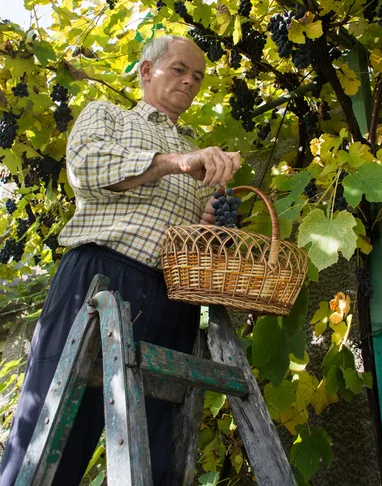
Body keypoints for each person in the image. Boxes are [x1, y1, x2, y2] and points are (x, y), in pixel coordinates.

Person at [0, 35, 241, 485]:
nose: (189, 81)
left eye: (198, 77)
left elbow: (197, 242)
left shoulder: (198, 151)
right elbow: (86, 168)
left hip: (173, 299)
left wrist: (212, 221)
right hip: (97, 282)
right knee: (50, 437)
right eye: (179, 69)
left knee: (155, 455)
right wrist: (176, 161)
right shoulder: (106, 115)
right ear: (147, 70)